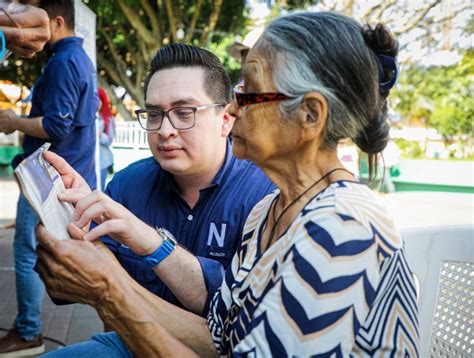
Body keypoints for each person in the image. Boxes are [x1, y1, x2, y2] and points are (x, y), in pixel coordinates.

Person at [36, 11, 419, 357]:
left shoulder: (342, 229)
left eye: (249, 92)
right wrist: (120, 256)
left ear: (309, 115)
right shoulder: (268, 212)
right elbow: (221, 336)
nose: (233, 110)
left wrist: (109, 291)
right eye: (154, 114)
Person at [0, 0, 98, 355]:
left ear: (56, 22)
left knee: (26, 254)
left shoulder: (63, 62)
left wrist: (13, 122)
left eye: (34, 19)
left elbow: (56, 125)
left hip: (47, 175)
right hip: (67, 172)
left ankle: (28, 332)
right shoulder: (81, 61)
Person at [97, 87, 115, 190]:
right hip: (87, 160)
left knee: (100, 189)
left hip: (102, 161)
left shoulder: (108, 119)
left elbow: (110, 140)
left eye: (98, 99)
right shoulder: (86, 117)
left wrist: (100, 135)